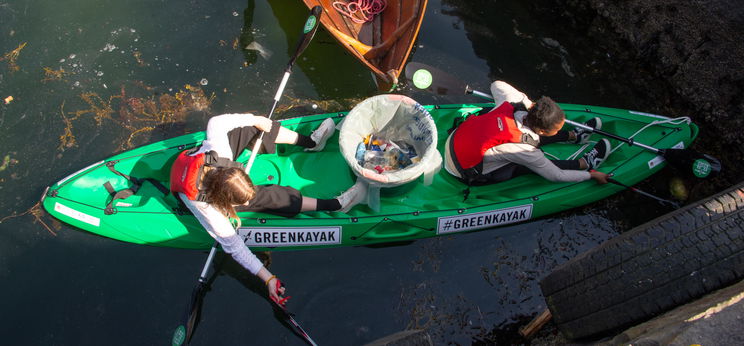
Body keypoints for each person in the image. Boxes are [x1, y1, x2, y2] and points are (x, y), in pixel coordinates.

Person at [170, 113, 367, 304]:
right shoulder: (207, 207)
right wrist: (269, 278)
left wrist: (255, 120)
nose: (245, 205)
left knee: (251, 129)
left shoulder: (219, 151)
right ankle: (336, 206)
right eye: (241, 203)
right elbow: (234, 247)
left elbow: (215, 122)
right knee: (268, 197)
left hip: (212, 176)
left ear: (232, 168)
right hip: (201, 192)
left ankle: (312, 143)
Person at [444, 81, 612, 186]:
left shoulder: (511, 104)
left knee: (527, 139)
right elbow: (556, 175)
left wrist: (528, 103)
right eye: (557, 130)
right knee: (528, 163)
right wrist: (589, 176)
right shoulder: (525, 150)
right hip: (464, 171)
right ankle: (586, 164)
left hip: (453, 141)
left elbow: (497, 85)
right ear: (541, 130)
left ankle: (575, 137)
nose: (558, 129)